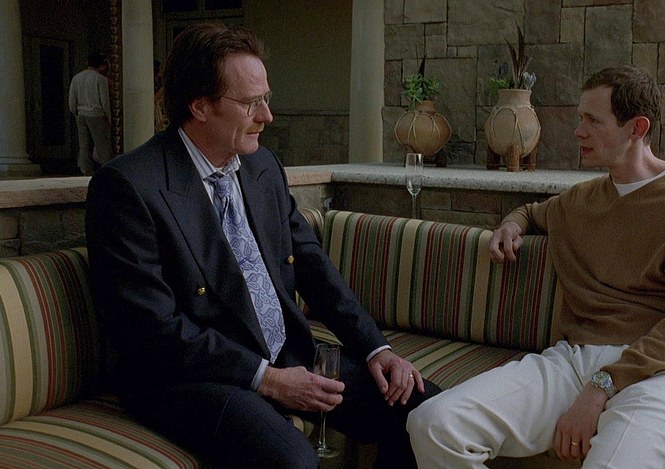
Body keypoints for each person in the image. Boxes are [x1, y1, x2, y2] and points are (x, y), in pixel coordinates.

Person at [85, 23, 439, 469]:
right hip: (191, 377)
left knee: (426, 411)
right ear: (200, 106)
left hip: (285, 353)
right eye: (251, 103)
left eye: (266, 98)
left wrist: (376, 349)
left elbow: (312, 266)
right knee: (294, 462)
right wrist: (267, 380)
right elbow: (153, 331)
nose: (267, 116)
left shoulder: (262, 166)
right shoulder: (128, 187)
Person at [407, 65, 665, 468]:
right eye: (581, 118)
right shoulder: (582, 200)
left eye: (593, 121)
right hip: (576, 361)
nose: (578, 131)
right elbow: (532, 212)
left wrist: (601, 388)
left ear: (637, 128)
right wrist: (511, 225)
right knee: (433, 424)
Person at [69, 51, 112, 175]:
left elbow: (72, 99)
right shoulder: (100, 79)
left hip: (81, 113)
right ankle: (106, 168)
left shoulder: (76, 78)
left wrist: (75, 112)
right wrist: (108, 117)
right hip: (96, 114)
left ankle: (86, 168)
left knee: (84, 144)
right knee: (101, 144)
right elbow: (104, 101)